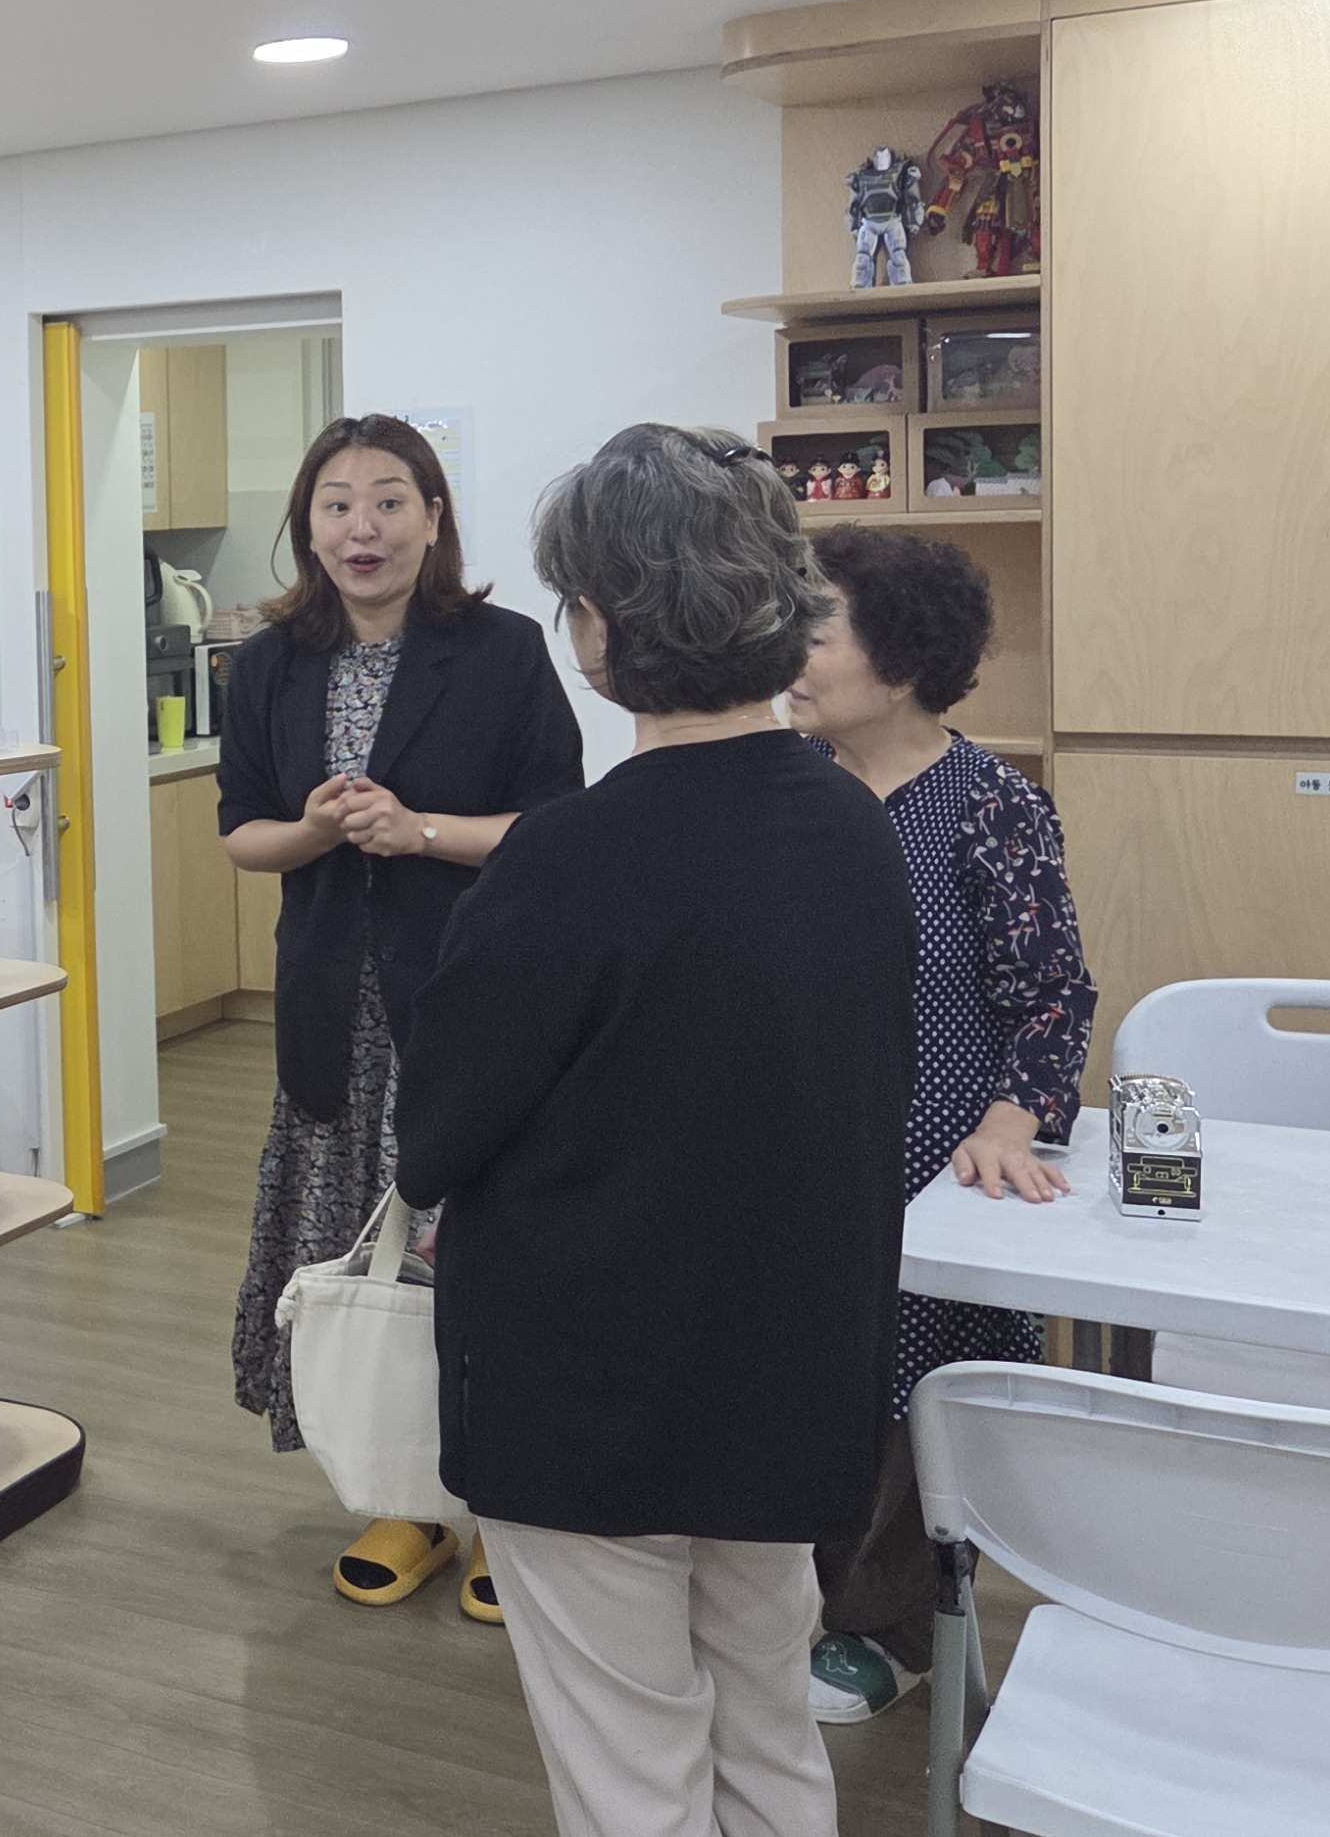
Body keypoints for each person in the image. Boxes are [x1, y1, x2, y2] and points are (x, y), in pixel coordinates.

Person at [393, 425, 912, 1837]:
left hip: (589, 1388)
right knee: (766, 1728)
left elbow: (436, 1131)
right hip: (791, 1371)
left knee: (632, 1765)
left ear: (599, 627)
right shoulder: (855, 826)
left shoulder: (565, 855)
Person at [214, 413, 582, 1617]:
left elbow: (554, 829)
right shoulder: (270, 661)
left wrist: (417, 829)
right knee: (357, 1253)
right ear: (306, 525)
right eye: (335, 503)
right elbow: (243, 834)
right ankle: (403, 1492)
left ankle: (501, 1500)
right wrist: (317, 828)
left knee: (475, 1253)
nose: (360, 527)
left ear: (432, 517)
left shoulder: (502, 649)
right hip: (334, 1006)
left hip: (470, 1000)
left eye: (387, 500)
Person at [784, 526, 1094, 1725]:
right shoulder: (785, 787)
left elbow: (1051, 994)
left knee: (908, 1392)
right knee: (803, 1376)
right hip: (797, 1140)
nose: (791, 650)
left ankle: (889, 1623)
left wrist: (1014, 1115)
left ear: (903, 662)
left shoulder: (990, 804)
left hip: (930, 1153)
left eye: (818, 628)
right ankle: (795, 1597)